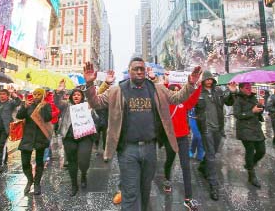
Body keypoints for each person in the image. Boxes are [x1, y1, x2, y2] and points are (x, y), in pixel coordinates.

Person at [83, 58, 201, 211]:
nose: (139, 71)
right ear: (129, 70)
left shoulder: (157, 89)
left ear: (145, 71)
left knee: (145, 190)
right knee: (130, 192)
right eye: (135, 68)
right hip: (127, 150)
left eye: (141, 68)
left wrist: (191, 84)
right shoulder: (117, 90)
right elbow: (96, 103)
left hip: (150, 149)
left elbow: (177, 97)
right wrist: (90, 84)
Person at [55, 73, 114, 197]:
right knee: (71, 162)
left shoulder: (87, 106)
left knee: (83, 161)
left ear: (82, 97)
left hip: (85, 138)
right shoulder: (66, 106)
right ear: (71, 97)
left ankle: (83, 174)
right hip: (69, 138)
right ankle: (74, 185)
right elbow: (57, 103)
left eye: (79, 95)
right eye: (74, 95)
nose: (76, 96)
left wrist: (94, 124)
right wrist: (59, 92)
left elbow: (96, 106)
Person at [195, 71, 236, 201]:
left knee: (212, 153)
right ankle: (213, 185)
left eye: (211, 79)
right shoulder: (198, 93)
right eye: (206, 79)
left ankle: (202, 166)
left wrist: (232, 92)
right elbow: (189, 104)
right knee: (212, 155)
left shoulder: (218, 91)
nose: (209, 81)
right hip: (206, 128)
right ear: (203, 80)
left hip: (218, 128)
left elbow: (229, 102)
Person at [163, 84, 201, 210]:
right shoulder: (166, 104)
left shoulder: (184, 103)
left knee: (186, 167)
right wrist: (164, 83)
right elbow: (161, 93)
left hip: (183, 138)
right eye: (174, 90)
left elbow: (193, 99)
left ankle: (188, 199)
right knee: (169, 161)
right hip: (170, 138)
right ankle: (167, 180)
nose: (177, 92)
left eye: (178, 90)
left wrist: (199, 85)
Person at [16, 88, 52, 195]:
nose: (36, 96)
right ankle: (29, 180)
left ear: (43, 95)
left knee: (39, 162)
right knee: (25, 162)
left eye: (39, 94)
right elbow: (19, 116)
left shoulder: (46, 105)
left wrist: (43, 106)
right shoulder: (29, 105)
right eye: (35, 94)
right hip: (28, 137)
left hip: (40, 138)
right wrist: (24, 106)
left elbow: (48, 118)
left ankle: (37, 183)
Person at [233, 83, 265, 188]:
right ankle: (251, 175)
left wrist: (261, 106)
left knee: (261, 151)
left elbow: (258, 112)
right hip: (244, 129)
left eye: (250, 88)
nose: (249, 90)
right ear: (241, 89)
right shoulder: (237, 99)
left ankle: (249, 164)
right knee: (250, 150)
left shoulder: (253, 97)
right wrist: (252, 111)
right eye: (247, 88)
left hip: (256, 128)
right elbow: (237, 115)